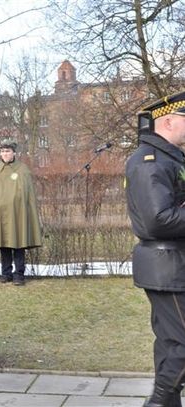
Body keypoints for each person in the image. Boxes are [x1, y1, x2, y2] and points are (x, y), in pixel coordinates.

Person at [125, 91, 185, 407]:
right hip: (167, 265)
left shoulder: (169, 158)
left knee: (171, 343)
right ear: (169, 121)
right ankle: (158, 402)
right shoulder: (150, 161)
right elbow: (158, 219)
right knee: (181, 345)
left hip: (173, 262)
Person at [0, 139, 42, 286]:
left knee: (18, 243)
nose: (5, 154)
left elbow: (27, 194)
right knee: (3, 244)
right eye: (3, 151)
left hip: (18, 214)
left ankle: (19, 274)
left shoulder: (22, 170)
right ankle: (6, 273)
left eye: (8, 151)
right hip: (1, 215)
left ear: (14, 153)